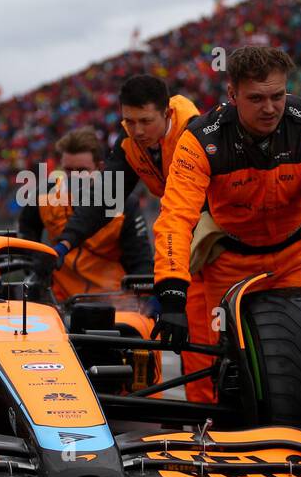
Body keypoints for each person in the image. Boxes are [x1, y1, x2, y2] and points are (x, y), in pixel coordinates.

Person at [152, 47, 301, 477]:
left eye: (278, 95)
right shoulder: (201, 140)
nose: (270, 107)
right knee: (221, 373)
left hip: (296, 253)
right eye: (257, 97)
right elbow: (176, 218)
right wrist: (172, 293)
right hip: (228, 261)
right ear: (232, 94)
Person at [52, 76, 214, 399]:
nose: (137, 130)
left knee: (218, 341)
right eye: (129, 121)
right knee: (197, 352)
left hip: (220, 240)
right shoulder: (130, 145)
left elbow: (183, 215)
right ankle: (205, 431)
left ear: (167, 114)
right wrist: (63, 243)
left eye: (145, 121)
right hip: (189, 246)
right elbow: (103, 199)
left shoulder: (198, 132)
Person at [17, 128, 152, 299]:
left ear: (100, 167)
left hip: (114, 302)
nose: (74, 177)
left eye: (82, 170)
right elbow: (26, 230)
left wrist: (144, 300)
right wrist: (36, 263)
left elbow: (141, 262)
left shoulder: (124, 203)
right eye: (68, 170)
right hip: (58, 302)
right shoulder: (44, 194)